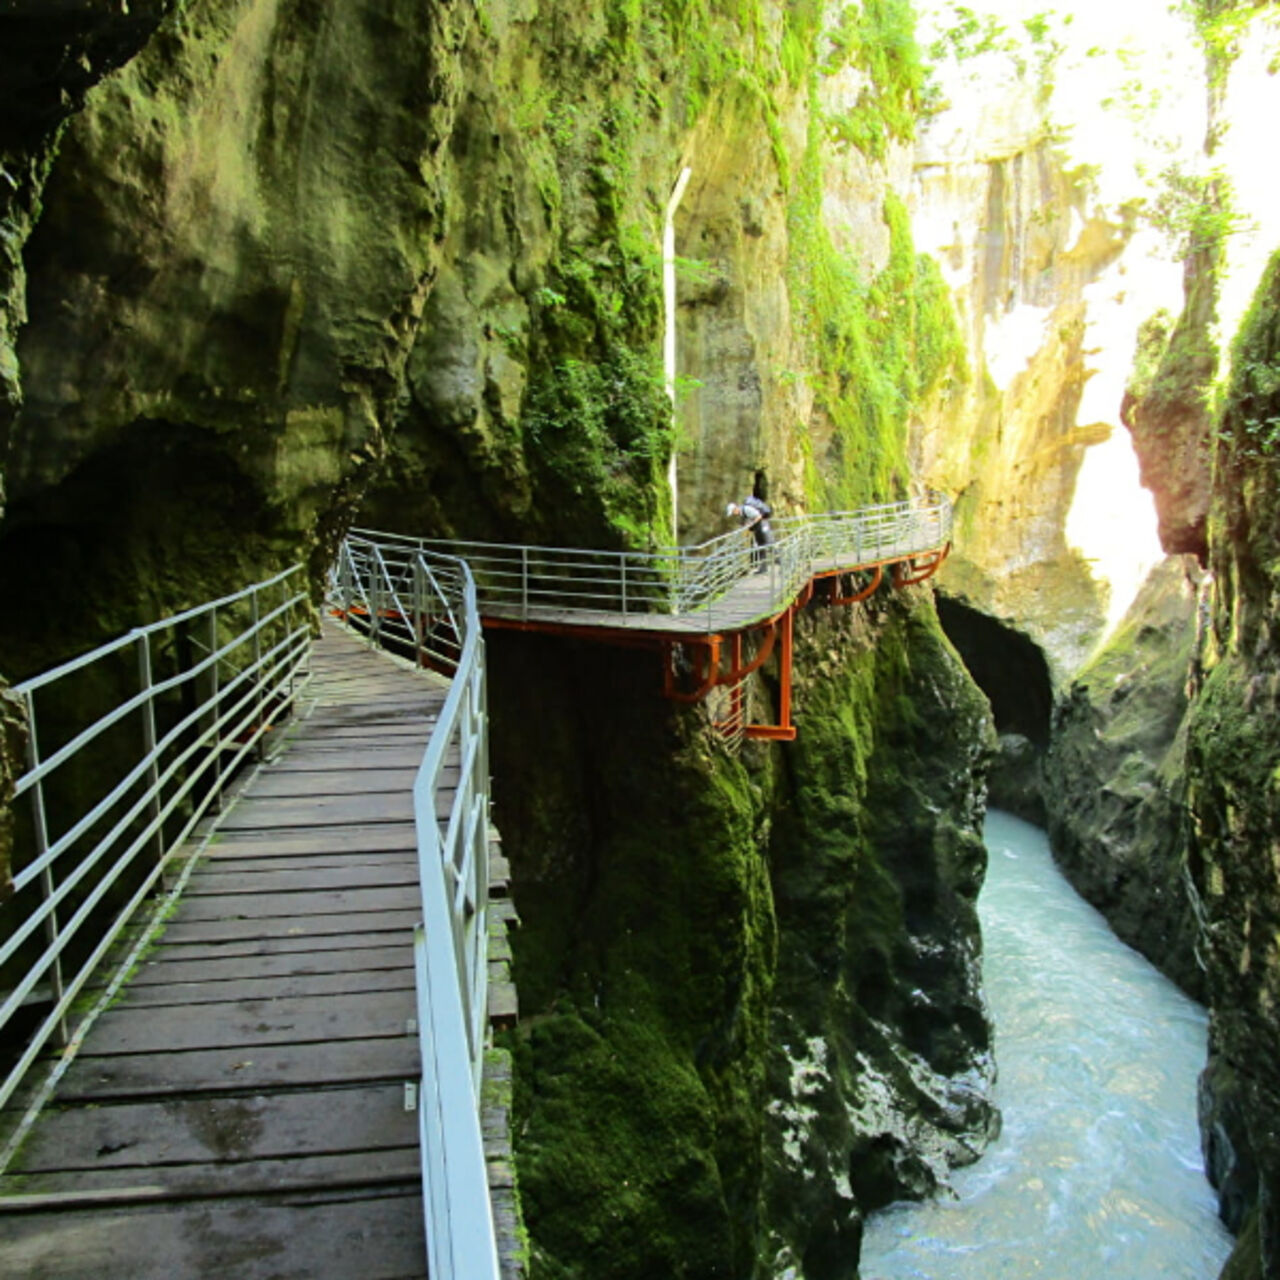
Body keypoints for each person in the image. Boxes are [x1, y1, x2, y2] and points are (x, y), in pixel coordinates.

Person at [726, 495, 775, 571]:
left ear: (735, 509)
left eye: (733, 512)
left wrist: (751, 523)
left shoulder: (746, 509)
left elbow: (758, 516)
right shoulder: (742, 513)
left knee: (769, 543)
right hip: (758, 527)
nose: (733, 514)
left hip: (762, 524)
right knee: (760, 546)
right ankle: (763, 568)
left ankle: (781, 561)